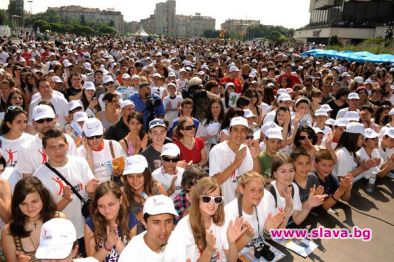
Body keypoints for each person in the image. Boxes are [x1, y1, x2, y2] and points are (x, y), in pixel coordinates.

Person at [33, 129, 99, 252]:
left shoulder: (80, 162)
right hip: (60, 236)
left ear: (67, 146)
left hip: (87, 229)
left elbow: (93, 195)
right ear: (44, 150)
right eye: (52, 148)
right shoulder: (38, 177)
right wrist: (65, 200)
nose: (58, 151)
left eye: (61, 146)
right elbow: (43, 214)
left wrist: (91, 192)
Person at [164, 177, 246, 262]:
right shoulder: (184, 228)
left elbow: (231, 260)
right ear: (197, 199)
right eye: (206, 198)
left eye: (217, 199)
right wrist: (209, 250)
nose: (212, 203)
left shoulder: (223, 221)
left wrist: (231, 243)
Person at [1, 177, 64, 262]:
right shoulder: (9, 231)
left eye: (34, 201)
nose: (30, 208)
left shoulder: (59, 219)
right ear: (17, 205)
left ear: (43, 198)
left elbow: (71, 255)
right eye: (24, 204)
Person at [224, 171, 285, 250]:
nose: (258, 194)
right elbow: (230, 254)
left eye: (261, 190)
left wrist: (267, 231)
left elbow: (267, 237)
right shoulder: (229, 212)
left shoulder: (266, 201)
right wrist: (246, 237)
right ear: (241, 189)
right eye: (252, 190)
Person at [209, 116, 260, 204]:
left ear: (247, 132)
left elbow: (254, 177)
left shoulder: (246, 149)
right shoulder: (217, 150)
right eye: (236, 129)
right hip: (223, 206)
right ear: (229, 131)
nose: (239, 134)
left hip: (242, 205)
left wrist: (255, 158)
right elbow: (214, 181)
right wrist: (236, 163)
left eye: (243, 130)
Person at [16, 104, 77, 177]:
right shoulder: (25, 147)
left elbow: (74, 168)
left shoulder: (68, 140)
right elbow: (27, 179)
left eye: (49, 119)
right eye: (40, 121)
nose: (45, 124)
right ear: (34, 123)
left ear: (55, 118)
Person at [84, 181, 137, 261]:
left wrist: (118, 244)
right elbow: (90, 260)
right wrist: (107, 246)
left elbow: (132, 259)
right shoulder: (91, 223)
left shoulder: (130, 220)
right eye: (101, 206)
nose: (107, 210)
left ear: (120, 200)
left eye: (111, 204)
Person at [269, 153, 326, 226]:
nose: (288, 175)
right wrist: (288, 208)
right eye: (283, 171)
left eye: (291, 171)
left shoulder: (293, 187)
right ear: (275, 174)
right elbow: (273, 233)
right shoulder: (268, 194)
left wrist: (308, 205)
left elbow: (296, 220)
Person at [119, 194, 178, 261]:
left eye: (168, 222)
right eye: (156, 222)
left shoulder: (178, 240)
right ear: (144, 222)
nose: (163, 230)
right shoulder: (131, 255)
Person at [121, 155, 166, 234]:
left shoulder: (157, 188)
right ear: (125, 177)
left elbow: (169, 215)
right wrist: (145, 208)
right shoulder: (123, 193)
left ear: (146, 175)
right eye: (130, 176)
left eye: (139, 176)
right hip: (136, 240)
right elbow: (125, 225)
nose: (135, 181)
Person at [78, 117, 126, 183]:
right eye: (90, 137)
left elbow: (125, 169)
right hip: (95, 190)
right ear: (85, 137)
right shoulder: (80, 152)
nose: (94, 140)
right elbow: (88, 178)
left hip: (113, 187)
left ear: (103, 134)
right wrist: (89, 154)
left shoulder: (113, 145)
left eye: (97, 136)